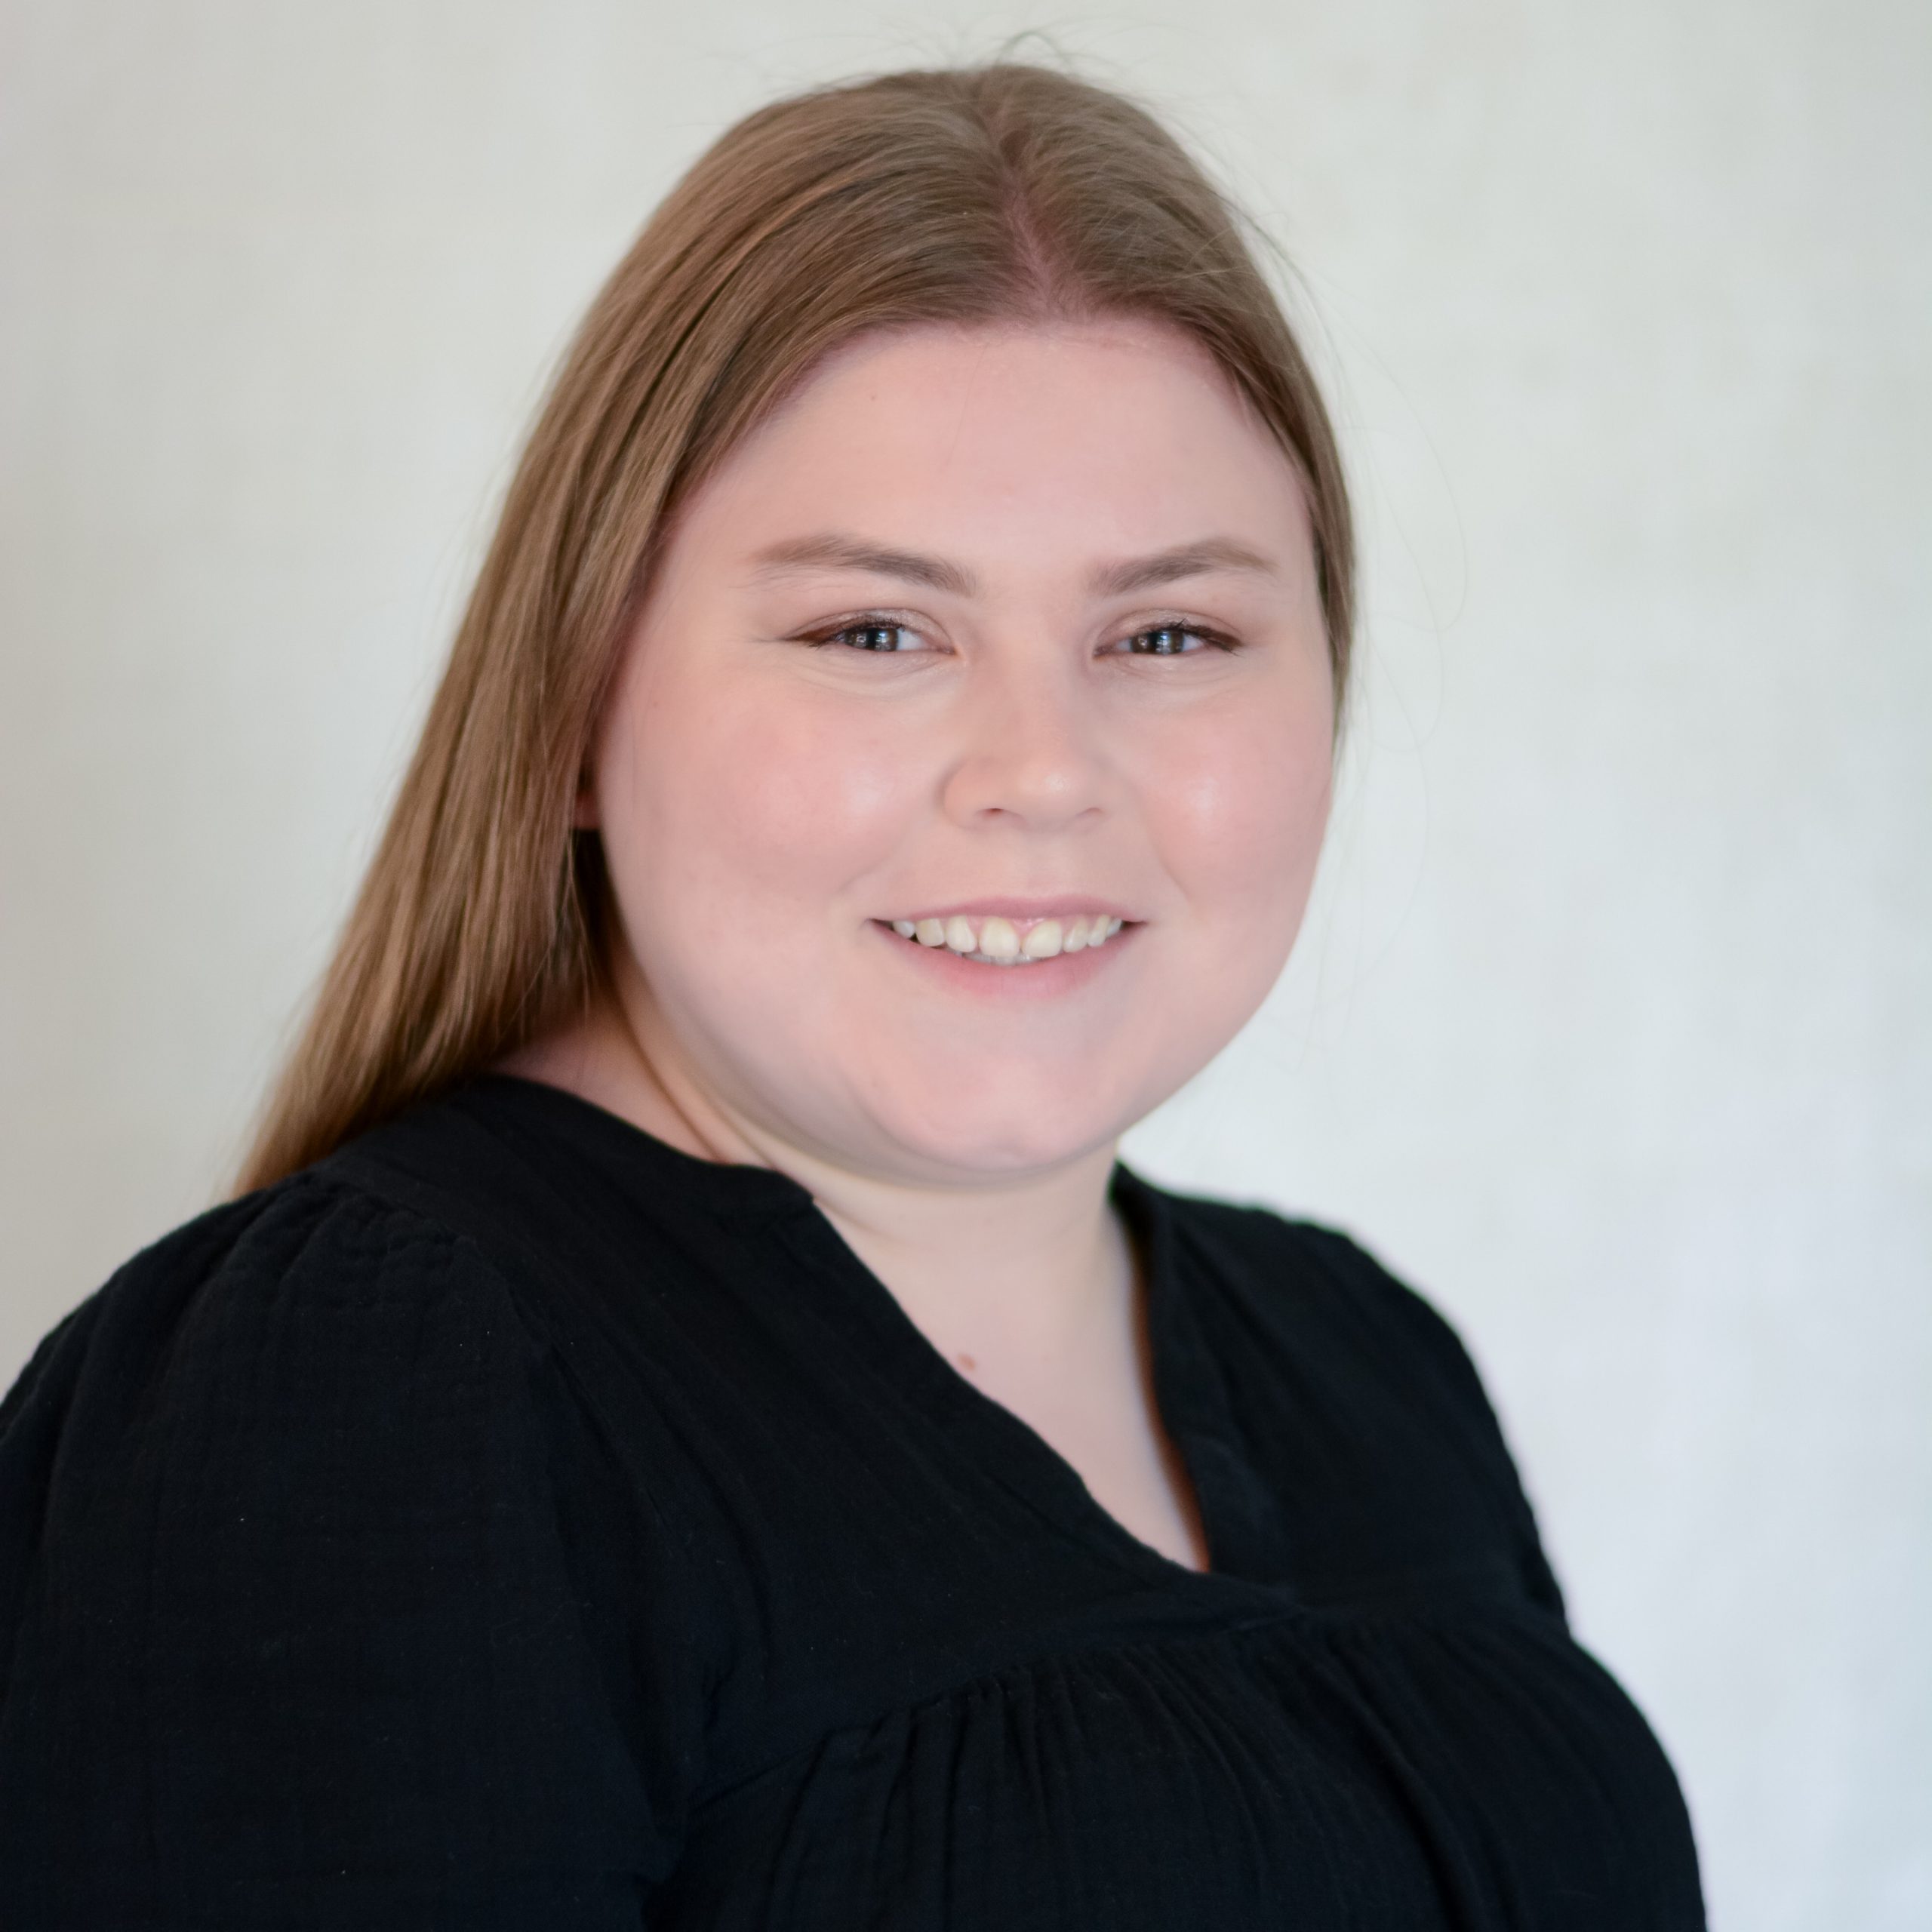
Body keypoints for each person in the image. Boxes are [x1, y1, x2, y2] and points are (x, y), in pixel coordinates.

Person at [0, 61, 1704, 1930]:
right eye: (875, 632)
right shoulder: (360, 1396)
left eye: (1168, 633)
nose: (1039, 768)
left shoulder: (1368, 1362)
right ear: (574, 706)